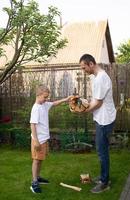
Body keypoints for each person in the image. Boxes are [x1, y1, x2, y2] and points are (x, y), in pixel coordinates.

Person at [79, 54, 116, 193]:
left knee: (102, 152)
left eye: (84, 67)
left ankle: (104, 183)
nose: (84, 71)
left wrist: (83, 110)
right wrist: (85, 102)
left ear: (91, 64)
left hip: (104, 120)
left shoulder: (100, 78)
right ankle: (103, 177)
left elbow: (99, 103)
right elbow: (96, 99)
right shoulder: (98, 77)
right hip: (102, 118)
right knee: (102, 150)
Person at [30, 84, 72, 193]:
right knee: (36, 160)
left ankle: (38, 177)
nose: (46, 99)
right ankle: (34, 182)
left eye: (47, 97)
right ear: (38, 95)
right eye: (44, 97)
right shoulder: (36, 108)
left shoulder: (44, 105)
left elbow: (54, 103)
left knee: (40, 160)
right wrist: (36, 141)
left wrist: (66, 99)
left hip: (44, 139)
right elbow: (32, 125)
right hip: (38, 140)